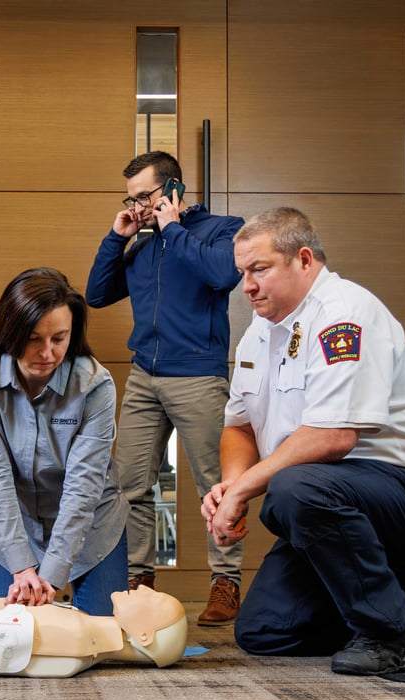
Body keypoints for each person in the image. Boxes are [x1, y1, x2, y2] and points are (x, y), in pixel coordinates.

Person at [202, 207, 405, 676]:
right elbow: (239, 426)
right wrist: (231, 486)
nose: (246, 285)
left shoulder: (343, 314)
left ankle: (389, 626)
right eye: (242, 273)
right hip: (331, 499)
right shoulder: (257, 335)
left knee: (290, 493)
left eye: (259, 269)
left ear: (304, 259)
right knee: (263, 632)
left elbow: (333, 436)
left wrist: (246, 490)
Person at [85, 150, 246, 625]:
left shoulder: (220, 229)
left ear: (173, 190)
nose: (138, 206)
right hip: (144, 377)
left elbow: (222, 274)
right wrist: (119, 236)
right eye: (131, 198)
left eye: (145, 196)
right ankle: (139, 580)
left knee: (217, 485)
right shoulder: (141, 245)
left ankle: (226, 583)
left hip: (198, 372)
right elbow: (97, 294)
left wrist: (172, 227)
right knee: (130, 485)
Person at [0, 267, 129, 616]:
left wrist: (50, 575)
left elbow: (84, 487)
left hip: (92, 521)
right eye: (33, 338)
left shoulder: (95, 384)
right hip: (14, 522)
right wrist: (22, 568)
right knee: (9, 636)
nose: (47, 353)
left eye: (59, 339)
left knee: (103, 639)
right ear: (10, 331)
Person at [0, 586, 188, 678]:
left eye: (155, 600)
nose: (146, 590)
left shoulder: (78, 638)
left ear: (144, 636)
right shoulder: (80, 629)